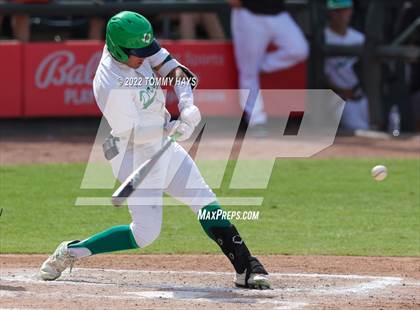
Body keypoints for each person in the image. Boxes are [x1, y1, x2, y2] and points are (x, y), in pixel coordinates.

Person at [39, 11, 271, 290]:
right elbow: (135, 133)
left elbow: (174, 70)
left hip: (160, 140)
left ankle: (246, 267)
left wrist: (186, 105)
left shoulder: (136, 43)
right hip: (130, 152)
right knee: (145, 233)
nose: (144, 57)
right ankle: (72, 251)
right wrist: (173, 127)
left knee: (203, 199)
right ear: (118, 49)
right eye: (138, 53)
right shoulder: (108, 84)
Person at [228, 0, 309, 135]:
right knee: (248, 73)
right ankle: (256, 120)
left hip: (278, 13)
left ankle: (258, 66)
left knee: (299, 49)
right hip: (248, 13)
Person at [325, 0, 369, 131]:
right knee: (359, 131)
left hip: (362, 97)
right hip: (339, 99)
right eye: (336, 11)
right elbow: (321, 76)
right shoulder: (323, 37)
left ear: (350, 11)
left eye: (344, 10)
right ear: (330, 13)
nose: (340, 14)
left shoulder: (359, 38)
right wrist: (340, 91)